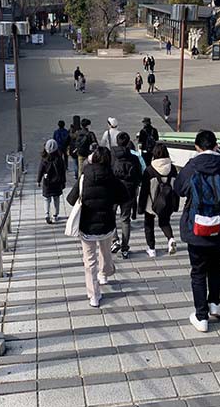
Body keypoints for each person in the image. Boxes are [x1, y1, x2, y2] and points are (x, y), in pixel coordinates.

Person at [174, 130, 220, 333]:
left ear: (197, 147)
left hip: (195, 227)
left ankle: (201, 316)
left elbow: (179, 189)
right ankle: (214, 303)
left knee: (197, 271)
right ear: (216, 146)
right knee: (215, 265)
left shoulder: (192, 166)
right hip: (219, 226)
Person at [66, 147, 128, 307]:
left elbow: (71, 199)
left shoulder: (84, 177)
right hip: (107, 224)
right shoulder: (112, 177)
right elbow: (124, 196)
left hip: (87, 225)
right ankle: (104, 274)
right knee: (106, 253)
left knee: (89, 261)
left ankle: (94, 295)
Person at [138, 143, 179, 257]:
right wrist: (175, 205)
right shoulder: (173, 169)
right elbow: (176, 188)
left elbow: (144, 191)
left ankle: (152, 250)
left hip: (151, 203)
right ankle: (170, 239)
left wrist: (140, 207)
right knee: (165, 222)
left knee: (149, 225)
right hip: (167, 201)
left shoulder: (149, 170)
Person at [110, 132, 143, 258]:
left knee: (111, 216)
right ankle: (125, 248)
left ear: (117, 142)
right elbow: (139, 176)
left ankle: (115, 240)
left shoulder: (112, 154)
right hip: (128, 192)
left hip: (113, 190)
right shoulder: (133, 157)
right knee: (125, 219)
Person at [37, 140, 66, 224]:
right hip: (57, 182)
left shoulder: (44, 159)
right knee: (56, 199)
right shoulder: (59, 159)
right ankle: (55, 215)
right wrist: (63, 182)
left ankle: (47, 214)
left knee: (46, 199)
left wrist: (38, 180)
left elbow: (40, 170)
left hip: (47, 182)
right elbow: (62, 171)